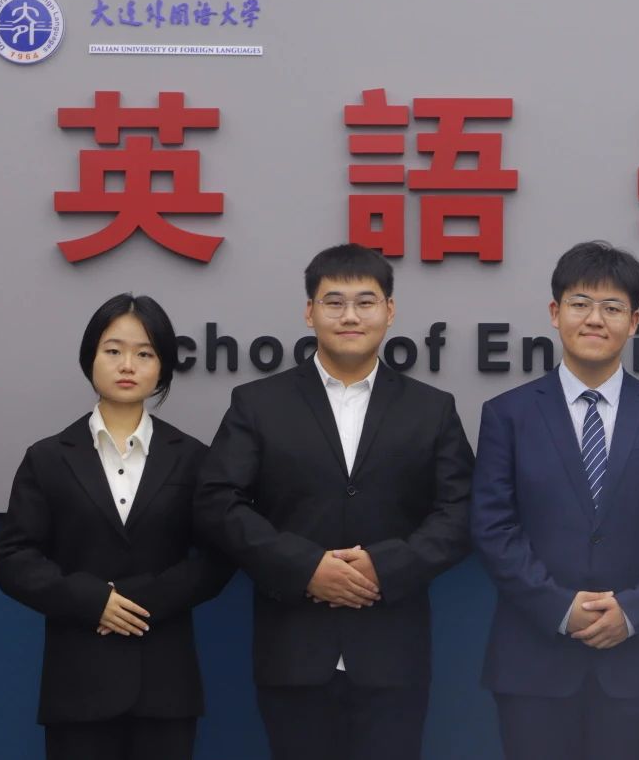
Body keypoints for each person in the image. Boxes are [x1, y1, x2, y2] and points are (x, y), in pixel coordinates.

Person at [193, 243, 474, 760]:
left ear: (390, 310)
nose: (350, 316)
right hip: (293, 648)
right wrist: (304, 567)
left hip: (393, 652)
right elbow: (216, 502)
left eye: (366, 302)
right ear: (310, 312)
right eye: (334, 302)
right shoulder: (258, 404)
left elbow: (460, 512)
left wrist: (385, 567)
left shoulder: (432, 409)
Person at [470, 240, 639, 760]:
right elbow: (493, 527)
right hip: (533, 659)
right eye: (580, 304)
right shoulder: (507, 415)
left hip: (638, 660)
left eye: (612, 307)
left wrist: (633, 610)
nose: (595, 319)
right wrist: (559, 607)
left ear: (635, 321)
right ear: (555, 312)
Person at [0, 293, 232, 760]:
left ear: (162, 366)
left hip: (165, 685)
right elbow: (11, 557)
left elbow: (219, 557)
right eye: (113, 350)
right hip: (77, 683)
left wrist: (145, 599)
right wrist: (91, 600)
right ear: (90, 358)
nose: (127, 365)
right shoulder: (48, 457)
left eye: (145, 354)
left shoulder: (194, 457)